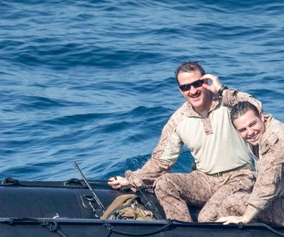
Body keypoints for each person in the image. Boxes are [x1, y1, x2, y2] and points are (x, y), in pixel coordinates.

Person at [107, 61, 261, 223]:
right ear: (180, 89)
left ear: (206, 82)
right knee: (164, 183)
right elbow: (161, 161)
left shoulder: (228, 104)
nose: (193, 91)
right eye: (186, 87)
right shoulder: (178, 120)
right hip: (204, 180)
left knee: (207, 217)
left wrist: (221, 90)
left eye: (197, 84)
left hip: (239, 177)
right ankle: (182, 232)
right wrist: (132, 179)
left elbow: (255, 107)